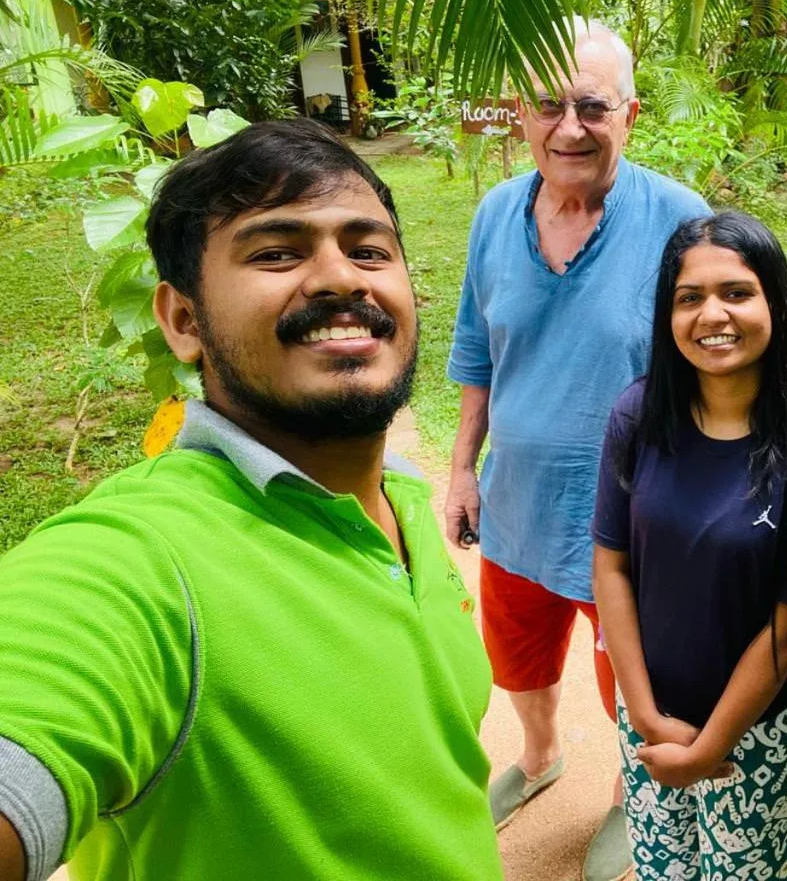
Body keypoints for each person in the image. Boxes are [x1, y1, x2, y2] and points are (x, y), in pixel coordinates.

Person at [0, 120, 502, 881]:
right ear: (183, 320)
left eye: (369, 250)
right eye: (276, 252)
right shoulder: (138, 563)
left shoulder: (400, 495)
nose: (342, 279)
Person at [445, 18, 710, 879]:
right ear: (520, 114)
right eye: (549, 105)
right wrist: (460, 468)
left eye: (591, 106)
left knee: (633, 680)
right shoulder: (495, 213)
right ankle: (539, 755)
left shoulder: (678, 219)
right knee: (517, 661)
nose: (569, 126)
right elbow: (477, 350)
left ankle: (626, 800)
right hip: (516, 503)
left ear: (628, 115)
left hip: (631, 521)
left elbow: (722, 357)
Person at [592, 212, 787, 880]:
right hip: (649, 709)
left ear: (775, 300)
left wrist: (709, 746)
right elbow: (611, 567)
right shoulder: (637, 414)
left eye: (737, 292)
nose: (713, 314)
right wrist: (650, 720)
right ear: (668, 313)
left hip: (760, 728)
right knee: (662, 869)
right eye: (690, 297)